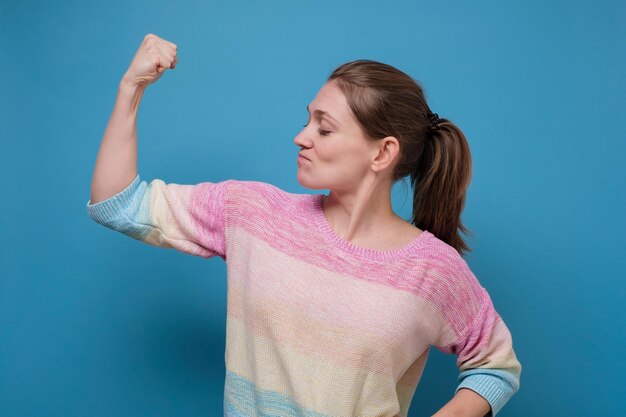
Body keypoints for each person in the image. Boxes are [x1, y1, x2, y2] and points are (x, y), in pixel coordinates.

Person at [86, 33, 522, 417]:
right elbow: (117, 205)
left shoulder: (431, 270)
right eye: (308, 118)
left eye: (324, 128)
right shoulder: (253, 213)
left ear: (382, 153)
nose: (301, 135)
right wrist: (132, 88)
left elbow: (495, 365)